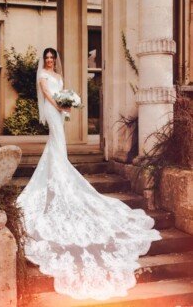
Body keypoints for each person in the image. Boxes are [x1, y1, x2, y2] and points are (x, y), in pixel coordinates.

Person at [17, 47, 161, 300]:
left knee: (57, 144)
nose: (50, 61)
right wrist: (61, 106)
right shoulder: (42, 76)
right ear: (44, 60)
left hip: (60, 111)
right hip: (54, 111)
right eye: (47, 58)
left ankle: (58, 170)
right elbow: (49, 95)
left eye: (52, 58)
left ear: (55, 60)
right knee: (57, 140)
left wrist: (67, 104)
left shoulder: (58, 74)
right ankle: (58, 172)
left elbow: (60, 91)